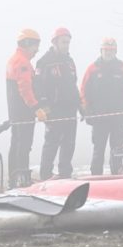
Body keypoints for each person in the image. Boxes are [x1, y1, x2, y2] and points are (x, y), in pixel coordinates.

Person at [81, 37, 123, 175]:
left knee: (117, 150)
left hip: (118, 118)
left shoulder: (122, 68)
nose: (108, 53)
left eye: (111, 50)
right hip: (99, 119)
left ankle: (116, 175)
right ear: (101, 51)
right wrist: (86, 109)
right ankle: (95, 177)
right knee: (98, 150)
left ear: (115, 51)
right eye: (106, 50)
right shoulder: (92, 68)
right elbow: (83, 90)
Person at [35, 27, 80, 180]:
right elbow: (38, 87)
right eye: (63, 42)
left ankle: (65, 173)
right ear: (55, 42)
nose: (66, 45)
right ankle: (45, 174)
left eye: (68, 42)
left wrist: (80, 106)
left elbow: (73, 85)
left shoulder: (69, 61)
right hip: (54, 109)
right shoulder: (44, 62)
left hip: (70, 109)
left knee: (69, 143)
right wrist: (44, 106)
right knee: (51, 143)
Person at [6, 29, 47, 187]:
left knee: (15, 144)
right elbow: (25, 88)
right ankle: (22, 179)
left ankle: (13, 178)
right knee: (23, 145)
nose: (37, 50)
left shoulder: (13, 60)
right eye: (36, 46)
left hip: (15, 112)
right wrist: (36, 107)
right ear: (28, 44)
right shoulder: (22, 62)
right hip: (23, 112)